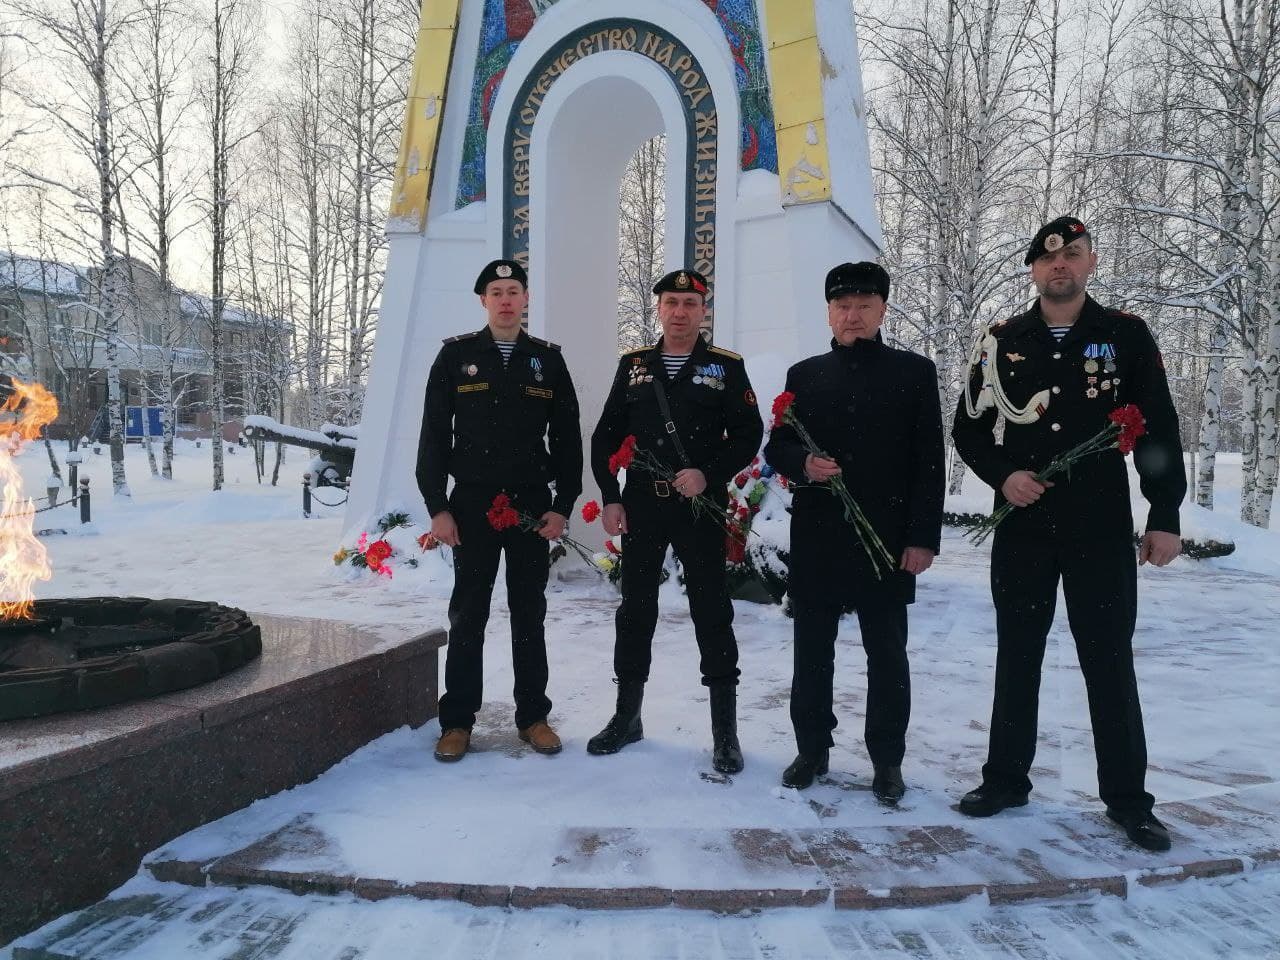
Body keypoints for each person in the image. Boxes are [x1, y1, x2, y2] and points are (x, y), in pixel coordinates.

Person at [951, 216, 1186, 851]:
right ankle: (1005, 780)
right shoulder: (1001, 339)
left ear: (1090, 262)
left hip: (1099, 523)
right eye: (1049, 257)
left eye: (1073, 254)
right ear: (1033, 269)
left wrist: (1164, 513)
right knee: (1018, 653)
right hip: (1023, 523)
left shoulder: (1126, 335)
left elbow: (1158, 426)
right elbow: (968, 427)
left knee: (1108, 659)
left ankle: (1129, 800)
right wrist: (1004, 476)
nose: (1061, 265)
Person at [763, 262, 944, 801]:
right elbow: (778, 444)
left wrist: (922, 538)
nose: (853, 315)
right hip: (819, 535)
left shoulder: (914, 372)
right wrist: (803, 464)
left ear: (882, 310)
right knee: (811, 653)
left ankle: (887, 760)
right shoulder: (804, 375)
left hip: (885, 539)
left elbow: (929, 461)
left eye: (864, 305)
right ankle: (811, 749)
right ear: (829, 312)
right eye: (843, 306)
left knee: (886, 656)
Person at [586, 269, 763, 774]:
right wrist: (610, 496)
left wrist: (709, 474)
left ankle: (725, 732)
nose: (680, 312)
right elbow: (605, 436)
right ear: (659, 308)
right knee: (635, 610)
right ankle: (627, 717)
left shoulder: (725, 367)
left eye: (690, 303)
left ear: (703, 310)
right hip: (643, 505)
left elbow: (748, 433)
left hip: (698, 509)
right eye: (671, 302)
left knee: (712, 611)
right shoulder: (634, 366)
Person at [416, 258, 582, 763]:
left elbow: (568, 439)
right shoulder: (456, 356)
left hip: (530, 505)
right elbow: (433, 438)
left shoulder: (547, 361)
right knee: (468, 614)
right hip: (472, 504)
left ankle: (533, 717)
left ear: (525, 298)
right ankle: (457, 722)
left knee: (530, 612)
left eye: (513, 291)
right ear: (483, 300)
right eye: (496, 292)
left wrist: (563, 506)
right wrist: (437, 507)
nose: (506, 300)